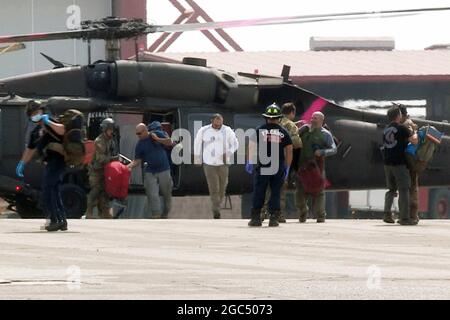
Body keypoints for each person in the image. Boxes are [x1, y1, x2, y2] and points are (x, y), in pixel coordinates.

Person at [16, 100, 68, 231]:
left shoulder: (50, 121)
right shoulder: (35, 132)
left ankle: (54, 220)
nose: (36, 115)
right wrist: (22, 163)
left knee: (48, 189)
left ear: (42, 111)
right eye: (32, 114)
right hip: (50, 163)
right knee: (54, 190)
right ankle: (61, 220)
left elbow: (62, 130)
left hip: (59, 161)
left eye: (37, 112)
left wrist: (48, 121)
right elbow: (30, 149)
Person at [246, 103, 293, 227]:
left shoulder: (259, 130)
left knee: (259, 191)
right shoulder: (284, 132)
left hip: (263, 166)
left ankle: (256, 218)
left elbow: (251, 145)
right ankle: (273, 218)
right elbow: (289, 150)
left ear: (266, 117)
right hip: (277, 167)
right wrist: (287, 167)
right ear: (279, 118)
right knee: (276, 192)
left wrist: (250, 161)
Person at [261, 102, 302, 222]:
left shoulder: (270, 123)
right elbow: (296, 143)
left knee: (265, 187)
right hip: (281, 161)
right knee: (279, 190)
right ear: (292, 112)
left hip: (266, 160)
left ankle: (262, 212)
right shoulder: (290, 125)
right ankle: (277, 214)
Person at [194, 114, 239, 219]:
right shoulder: (204, 130)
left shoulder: (227, 130)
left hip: (223, 163)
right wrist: (197, 158)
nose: (218, 126)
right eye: (216, 124)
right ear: (212, 121)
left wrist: (228, 152)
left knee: (222, 187)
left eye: (220, 124)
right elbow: (197, 143)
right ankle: (216, 210)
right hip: (209, 163)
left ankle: (217, 204)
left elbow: (235, 144)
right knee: (214, 187)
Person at [295, 111, 337, 223]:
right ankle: (303, 212)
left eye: (316, 118)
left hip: (317, 167)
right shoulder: (304, 130)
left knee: (319, 192)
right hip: (302, 166)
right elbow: (293, 137)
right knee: (299, 192)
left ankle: (320, 215)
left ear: (321, 121)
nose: (313, 120)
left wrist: (322, 151)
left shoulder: (325, 134)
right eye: (312, 117)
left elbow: (334, 149)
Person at [128, 122, 173, 219]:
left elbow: (169, 142)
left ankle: (165, 213)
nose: (138, 136)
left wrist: (157, 139)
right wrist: (128, 167)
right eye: (136, 134)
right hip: (150, 170)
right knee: (152, 193)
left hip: (164, 169)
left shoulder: (157, 134)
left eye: (139, 133)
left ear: (145, 131)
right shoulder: (139, 144)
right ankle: (156, 214)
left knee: (166, 194)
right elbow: (137, 160)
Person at [382, 106, 418, 225]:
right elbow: (414, 141)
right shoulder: (402, 128)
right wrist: (415, 133)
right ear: (398, 116)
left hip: (387, 164)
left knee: (391, 190)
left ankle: (387, 214)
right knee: (403, 189)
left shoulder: (386, 130)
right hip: (399, 164)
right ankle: (404, 218)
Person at [86, 118, 118, 219]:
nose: (112, 131)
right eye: (110, 129)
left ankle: (104, 214)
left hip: (105, 170)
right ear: (104, 129)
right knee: (95, 191)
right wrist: (114, 159)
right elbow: (101, 158)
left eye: (112, 129)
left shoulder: (110, 141)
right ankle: (89, 212)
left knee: (104, 193)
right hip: (96, 171)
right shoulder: (99, 141)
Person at [398, 104, 425, 224]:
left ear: (401, 114)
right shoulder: (409, 123)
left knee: (411, 189)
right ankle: (411, 216)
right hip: (410, 160)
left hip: (410, 162)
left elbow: (413, 139)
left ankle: (413, 216)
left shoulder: (406, 124)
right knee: (410, 188)